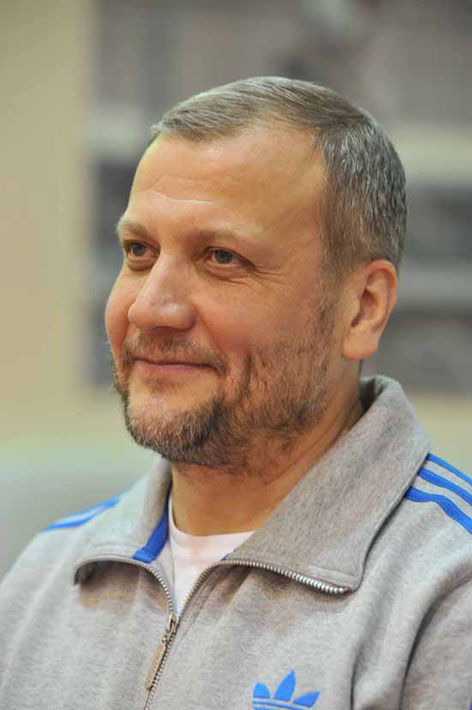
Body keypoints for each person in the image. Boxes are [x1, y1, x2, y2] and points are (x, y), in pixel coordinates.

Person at [0, 77, 470, 710]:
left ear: (362, 307)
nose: (150, 308)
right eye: (139, 251)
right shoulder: (40, 580)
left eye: (221, 257)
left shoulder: (449, 592)